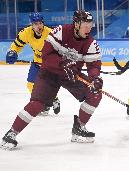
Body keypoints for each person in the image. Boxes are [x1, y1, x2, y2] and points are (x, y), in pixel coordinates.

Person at [0, 10, 103, 150]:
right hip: (49, 72)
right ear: (77, 24)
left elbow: (93, 66)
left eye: (90, 24)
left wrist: (95, 78)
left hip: (71, 75)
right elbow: (46, 56)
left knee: (95, 93)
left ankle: (79, 127)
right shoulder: (60, 31)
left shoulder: (91, 43)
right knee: (37, 104)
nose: (89, 28)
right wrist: (63, 63)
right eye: (85, 24)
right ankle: (12, 133)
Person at [6, 12, 60, 115]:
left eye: (40, 23)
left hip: (49, 64)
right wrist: (12, 51)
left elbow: (60, 48)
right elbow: (17, 45)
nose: (39, 26)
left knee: (47, 85)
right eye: (36, 23)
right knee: (31, 84)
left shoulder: (50, 33)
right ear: (32, 25)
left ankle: (54, 99)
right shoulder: (26, 33)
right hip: (37, 62)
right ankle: (43, 105)